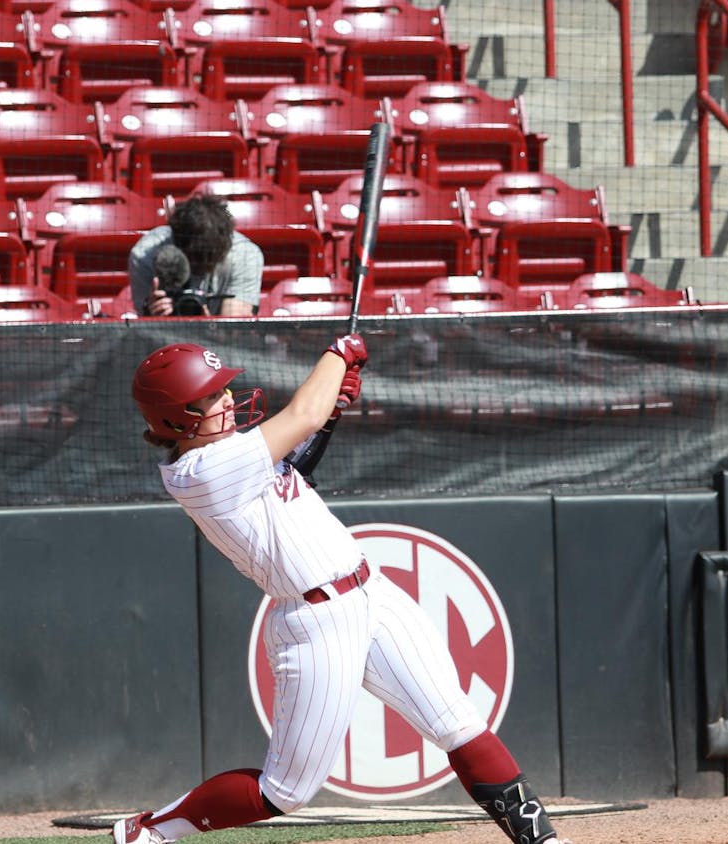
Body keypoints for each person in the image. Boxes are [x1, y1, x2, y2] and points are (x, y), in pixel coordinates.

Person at [125, 337, 568, 844]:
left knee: (458, 722)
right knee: (285, 791)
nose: (227, 399)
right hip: (314, 622)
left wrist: (332, 409)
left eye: (223, 389)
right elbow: (304, 415)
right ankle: (150, 831)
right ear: (176, 419)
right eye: (209, 397)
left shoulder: (229, 450)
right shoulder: (200, 472)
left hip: (369, 593)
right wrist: (338, 355)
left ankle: (544, 843)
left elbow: (298, 461)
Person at [128, 195, 263, 317]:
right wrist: (151, 314)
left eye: (207, 260)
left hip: (216, 342)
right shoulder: (145, 255)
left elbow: (234, 333)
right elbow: (144, 327)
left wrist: (207, 327)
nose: (200, 266)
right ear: (177, 244)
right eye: (194, 260)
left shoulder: (245, 255)